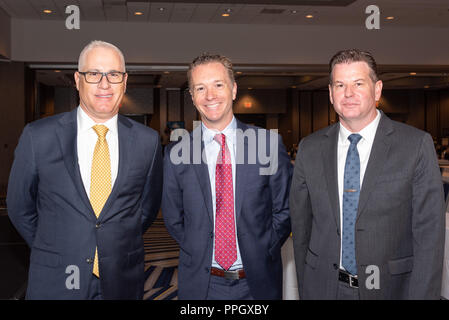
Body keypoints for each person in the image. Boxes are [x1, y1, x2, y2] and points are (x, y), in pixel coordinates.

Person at [7, 40, 163, 299]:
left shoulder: (147, 141)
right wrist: (54, 248)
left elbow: (145, 210)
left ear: (124, 82)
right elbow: (19, 207)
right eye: (94, 74)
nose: (104, 84)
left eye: (113, 75)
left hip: (122, 279)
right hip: (56, 280)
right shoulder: (38, 136)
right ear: (78, 80)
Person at [289, 49, 445, 300]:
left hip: (392, 290)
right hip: (326, 289)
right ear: (330, 93)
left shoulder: (415, 145)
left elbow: (430, 237)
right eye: (340, 85)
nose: (348, 93)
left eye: (358, 83)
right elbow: (301, 229)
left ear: (378, 89)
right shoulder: (310, 148)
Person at [162, 53, 291, 299]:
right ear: (192, 96)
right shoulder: (177, 153)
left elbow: (284, 210)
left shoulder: (267, 145)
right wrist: (196, 247)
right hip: (202, 284)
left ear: (233, 89)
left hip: (257, 283)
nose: (210, 96)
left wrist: (264, 247)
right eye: (201, 88)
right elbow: (173, 218)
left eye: (218, 85)